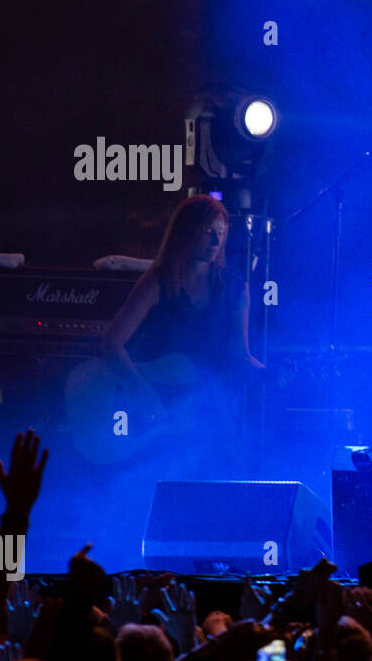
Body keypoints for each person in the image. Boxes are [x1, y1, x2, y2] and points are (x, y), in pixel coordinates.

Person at [99, 195, 263, 464]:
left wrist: (269, 374)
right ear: (186, 232)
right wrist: (141, 390)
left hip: (210, 414)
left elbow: (240, 356)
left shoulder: (235, 289)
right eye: (207, 232)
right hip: (161, 416)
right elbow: (112, 342)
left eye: (220, 234)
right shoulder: (158, 283)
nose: (214, 242)